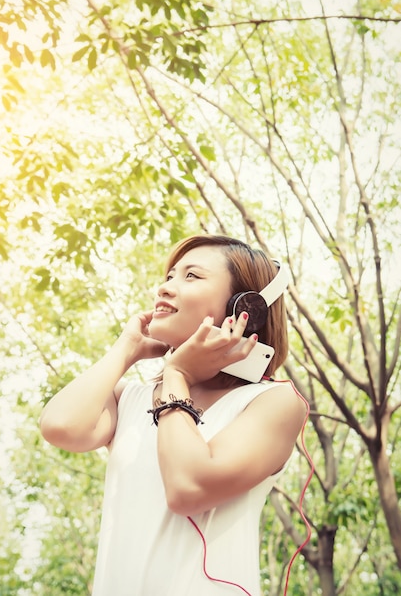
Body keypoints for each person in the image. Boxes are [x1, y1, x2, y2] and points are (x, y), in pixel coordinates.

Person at [39, 234, 307, 596]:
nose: (166, 288)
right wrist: (128, 348)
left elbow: (187, 489)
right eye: (169, 276)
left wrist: (178, 375)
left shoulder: (273, 402)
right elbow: (60, 427)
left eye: (191, 276)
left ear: (246, 308)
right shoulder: (130, 399)